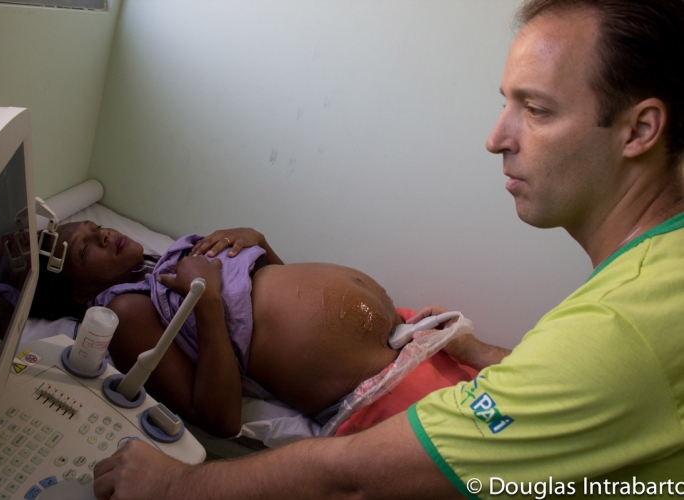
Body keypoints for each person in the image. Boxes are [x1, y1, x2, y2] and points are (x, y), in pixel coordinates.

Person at [93, 0, 684, 498]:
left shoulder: (613, 334)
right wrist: (479, 351)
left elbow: (354, 480)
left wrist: (175, 486)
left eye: (535, 110)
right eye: (506, 102)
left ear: (639, 131)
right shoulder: (654, 279)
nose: (495, 138)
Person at [31, 224, 404, 437]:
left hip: (407, 336)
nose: (104, 236)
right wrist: (205, 298)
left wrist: (259, 241)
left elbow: (272, 289)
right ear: (79, 294)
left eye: (97, 228)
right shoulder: (125, 311)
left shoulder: (165, 266)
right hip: (376, 388)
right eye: (85, 250)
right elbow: (218, 420)